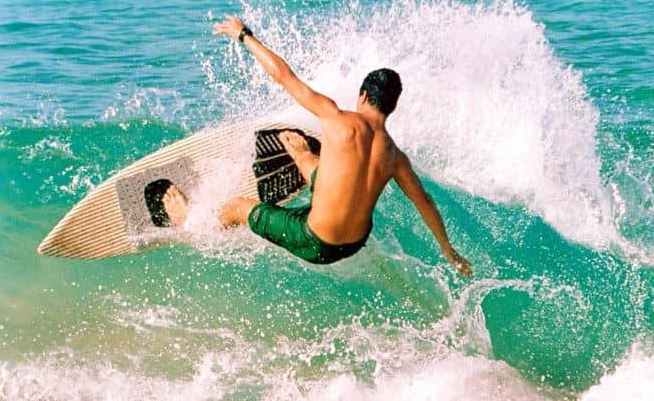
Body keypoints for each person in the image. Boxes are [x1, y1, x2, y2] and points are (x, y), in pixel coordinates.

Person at [163, 14, 472, 275]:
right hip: (352, 244)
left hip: (314, 241)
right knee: (325, 169)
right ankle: (302, 155)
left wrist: (244, 34)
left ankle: (191, 224)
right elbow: (425, 202)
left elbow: (285, 77)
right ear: (392, 108)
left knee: (237, 207)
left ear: (362, 96)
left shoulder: (337, 118)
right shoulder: (396, 158)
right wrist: (448, 249)